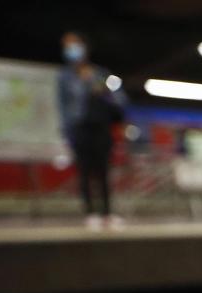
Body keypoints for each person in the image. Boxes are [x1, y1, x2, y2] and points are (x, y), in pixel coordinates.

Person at [57, 32, 127, 230]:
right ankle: (90, 213)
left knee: (103, 171)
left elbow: (120, 99)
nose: (71, 50)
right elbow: (62, 106)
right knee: (84, 171)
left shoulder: (101, 73)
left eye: (74, 45)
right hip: (79, 128)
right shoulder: (64, 77)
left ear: (85, 47)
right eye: (66, 46)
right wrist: (65, 132)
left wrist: (101, 90)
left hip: (101, 127)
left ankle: (107, 213)